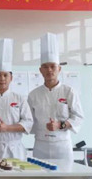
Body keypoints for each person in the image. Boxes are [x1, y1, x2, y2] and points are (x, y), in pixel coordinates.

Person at [28, 33, 84, 164]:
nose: (49, 70)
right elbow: (28, 120)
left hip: (62, 145)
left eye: (53, 66)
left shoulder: (68, 91)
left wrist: (60, 124)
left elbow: (78, 117)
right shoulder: (33, 94)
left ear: (59, 69)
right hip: (40, 145)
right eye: (45, 67)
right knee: (40, 174)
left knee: (64, 174)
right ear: (40, 70)